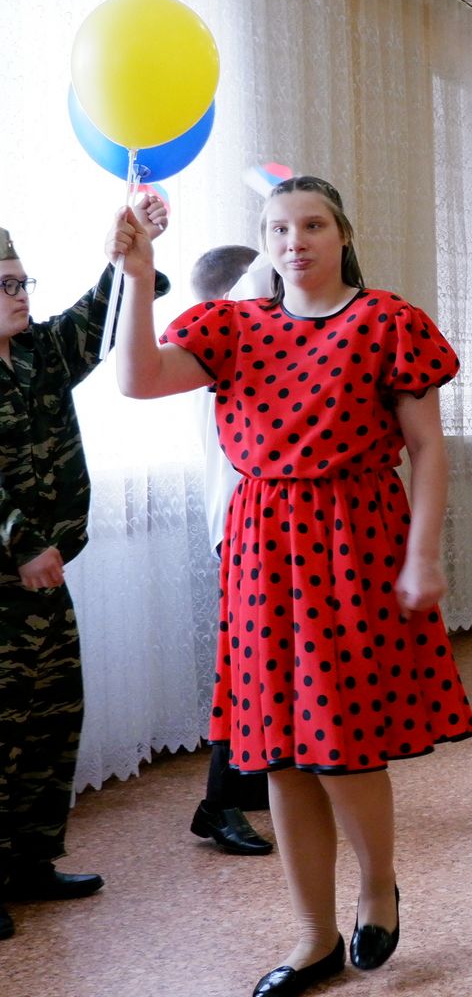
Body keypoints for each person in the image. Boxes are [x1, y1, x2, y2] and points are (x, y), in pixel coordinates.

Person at [109, 176, 472, 996]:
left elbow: (427, 448)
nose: (294, 241)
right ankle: (313, 936)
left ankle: (376, 885)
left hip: (354, 539)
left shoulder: (386, 322)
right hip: (263, 547)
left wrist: (423, 553)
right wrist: (137, 277)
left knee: (342, 743)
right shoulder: (234, 325)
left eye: (312, 225)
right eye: (279, 228)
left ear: (342, 234)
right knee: (279, 753)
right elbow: (137, 378)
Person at [0, 195, 168, 941]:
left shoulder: (37, 352)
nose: (22, 295)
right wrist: (21, 542)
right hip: (10, 576)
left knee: (50, 721)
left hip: (47, 581)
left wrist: (129, 252)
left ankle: (30, 863)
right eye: (7, 285)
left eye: (24, 282)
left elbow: (103, 321)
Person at [184, 245, 273, 856]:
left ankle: (255, 782)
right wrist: (290, 204)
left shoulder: (238, 343)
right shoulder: (225, 339)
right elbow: (265, 271)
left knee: (270, 661)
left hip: (259, 522)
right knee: (248, 669)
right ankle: (218, 804)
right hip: (245, 525)